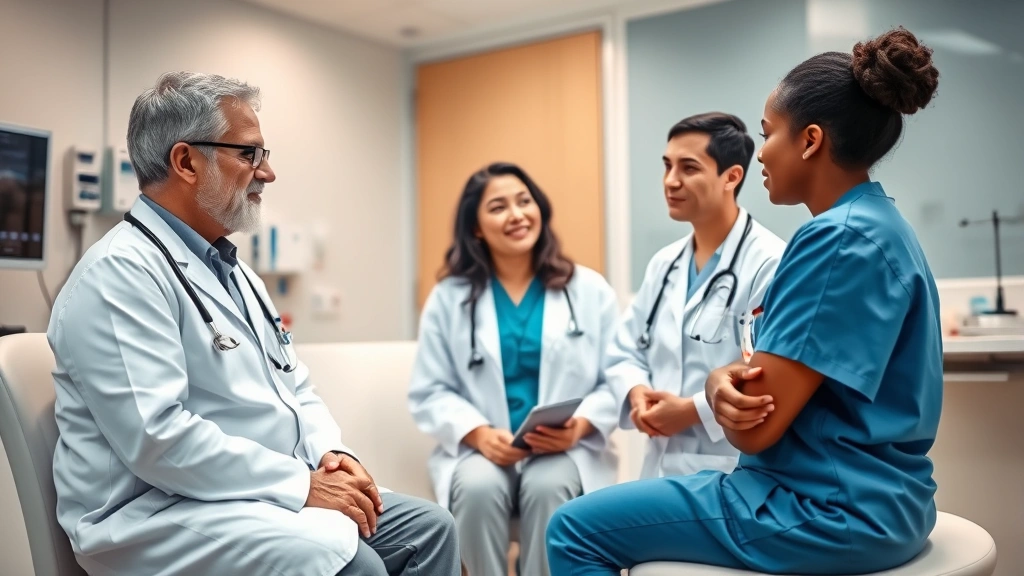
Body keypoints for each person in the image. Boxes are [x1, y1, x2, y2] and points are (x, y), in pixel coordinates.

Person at [546, 26, 942, 575]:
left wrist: (713, 385)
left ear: (809, 141)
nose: (762, 155)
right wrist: (726, 376)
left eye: (768, 133)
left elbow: (754, 426)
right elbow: (786, 369)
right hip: (880, 498)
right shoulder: (882, 225)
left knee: (571, 530)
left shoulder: (834, 240)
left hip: (825, 506)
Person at [47, 72, 459, 576]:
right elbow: (158, 439)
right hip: (157, 512)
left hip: (255, 490)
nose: (267, 173)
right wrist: (301, 485)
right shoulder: (119, 274)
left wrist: (332, 456)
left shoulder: (233, 270)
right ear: (185, 162)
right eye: (249, 155)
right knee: (355, 566)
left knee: (431, 529)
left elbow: (295, 388)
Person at [408, 162, 620, 576]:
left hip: (565, 447)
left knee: (548, 486)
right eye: (499, 207)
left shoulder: (588, 289)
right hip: (486, 447)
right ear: (475, 228)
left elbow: (616, 379)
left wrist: (579, 427)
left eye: (525, 202)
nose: (517, 215)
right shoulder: (450, 298)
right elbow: (430, 390)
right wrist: (480, 434)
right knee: (477, 487)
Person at [606, 112, 784, 479]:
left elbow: (769, 375)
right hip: (659, 463)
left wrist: (692, 411)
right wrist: (637, 393)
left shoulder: (769, 261)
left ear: (731, 177)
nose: (671, 181)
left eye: (689, 168)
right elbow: (624, 351)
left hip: (729, 467)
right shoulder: (665, 263)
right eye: (667, 166)